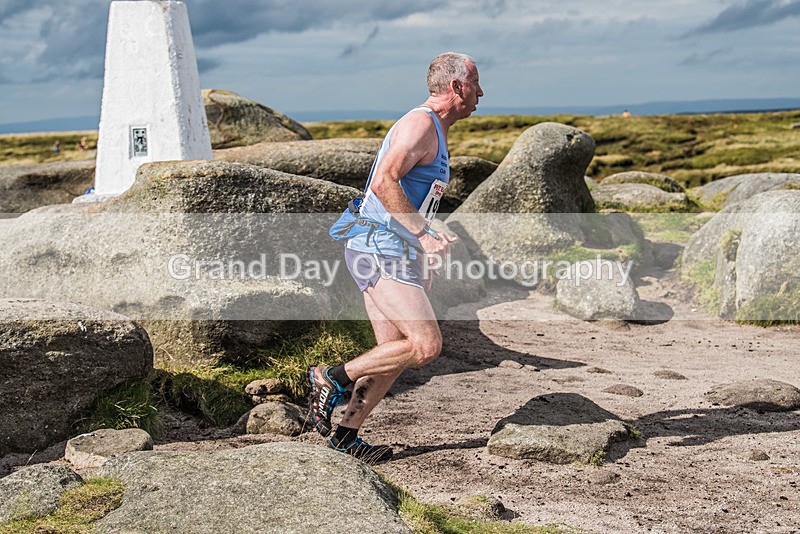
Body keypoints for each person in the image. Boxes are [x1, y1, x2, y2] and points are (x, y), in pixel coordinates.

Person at [309, 52, 483, 463]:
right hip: (375, 246)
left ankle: (346, 436)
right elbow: (385, 181)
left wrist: (428, 234)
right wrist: (422, 236)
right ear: (456, 87)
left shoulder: (435, 129)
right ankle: (329, 377)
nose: (481, 92)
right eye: (476, 83)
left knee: (391, 351)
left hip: (390, 246)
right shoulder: (421, 123)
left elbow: (408, 195)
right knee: (425, 346)